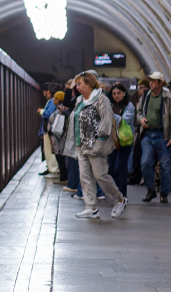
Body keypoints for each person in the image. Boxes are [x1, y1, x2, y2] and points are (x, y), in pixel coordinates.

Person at [71, 73, 128, 219]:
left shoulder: (101, 99)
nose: (77, 87)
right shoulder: (79, 100)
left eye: (80, 84)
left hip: (95, 144)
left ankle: (119, 199)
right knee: (85, 177)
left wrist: (100, 139)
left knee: (101, 175)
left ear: (89, 84)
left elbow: (106, 120)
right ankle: (91, 207)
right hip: (81, 143)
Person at [135, 71, 171, 202]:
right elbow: (139, 112)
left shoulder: (167, 97)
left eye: (154, 81)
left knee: (166, 165)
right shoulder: (146, 96)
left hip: (162, 135)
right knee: (145, 162)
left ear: (160, 83)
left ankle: (164, 193)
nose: (151, 83)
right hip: (148, 135)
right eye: (150, 80)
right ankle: (151, 189)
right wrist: (141, 119)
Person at [108, 82, 135, 198]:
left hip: (125, 140)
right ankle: (114, 192)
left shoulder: (129, 106)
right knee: (111, 167)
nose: (116, 96)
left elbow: (124, 120)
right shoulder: (110, 105)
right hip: (112, 141)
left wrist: (111, 115)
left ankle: (122, 194)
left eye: (119, 93)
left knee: (121, 166)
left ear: (124, 93)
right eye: (114, 93)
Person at [39, 83, 59, 177]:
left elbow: (48, 114)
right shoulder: (52, 101)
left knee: (49, 150)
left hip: (50, 128)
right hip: (50, 128)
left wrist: (41, 111)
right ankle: (51, 168)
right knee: (49, 150)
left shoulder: (52, 101)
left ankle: (53, 169)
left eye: (48, 91)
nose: (46, 93)